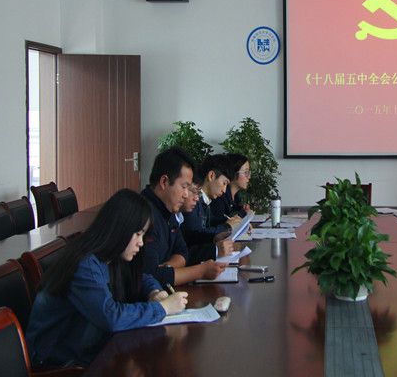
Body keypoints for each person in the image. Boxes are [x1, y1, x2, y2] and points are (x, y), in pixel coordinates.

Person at [25, 189, 188, 367]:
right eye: (138, 234)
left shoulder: (111, 255)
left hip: (88, 349)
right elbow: (111, 316)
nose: (141, 243)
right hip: (58, 363)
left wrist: (154, 292)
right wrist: (163, 308)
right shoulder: (84, 264)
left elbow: (141, 277)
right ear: (120, 228)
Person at [142, 146, 227, 287]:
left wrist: (166, 269)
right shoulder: (143, 214)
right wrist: (200, 271)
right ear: (164, 182)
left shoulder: (168, 210)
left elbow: (182, 252)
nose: (186, 195)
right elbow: (150, 276)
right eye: (184, 187)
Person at [180, 154, 241, 244]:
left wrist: (233, 221)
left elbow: (212, 221)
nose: (224, 190)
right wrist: (227, 226)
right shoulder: (192, 200)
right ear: (211, 175)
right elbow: (196, 234)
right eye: (224, 183)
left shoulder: (205, 200)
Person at [210, 153, 252, 219]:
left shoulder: (236, 197)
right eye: (245, 172)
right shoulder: (219, 195)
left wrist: (242, 210)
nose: (249, 177)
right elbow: (221, 222)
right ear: (233, 173)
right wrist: (243, 214)